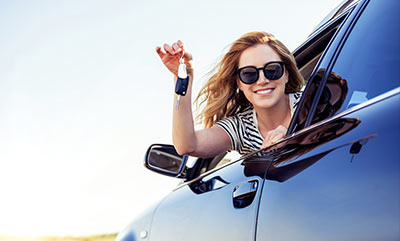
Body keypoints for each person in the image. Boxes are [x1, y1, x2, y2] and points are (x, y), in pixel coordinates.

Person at [156, 31, 304, 158]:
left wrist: (294, 134)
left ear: (286, 74)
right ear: (239, 82)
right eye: (249, 74)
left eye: (272, 69)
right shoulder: (241, 127)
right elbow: (187, 146)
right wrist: (184, 77)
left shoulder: (312, 103)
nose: (262, 80)